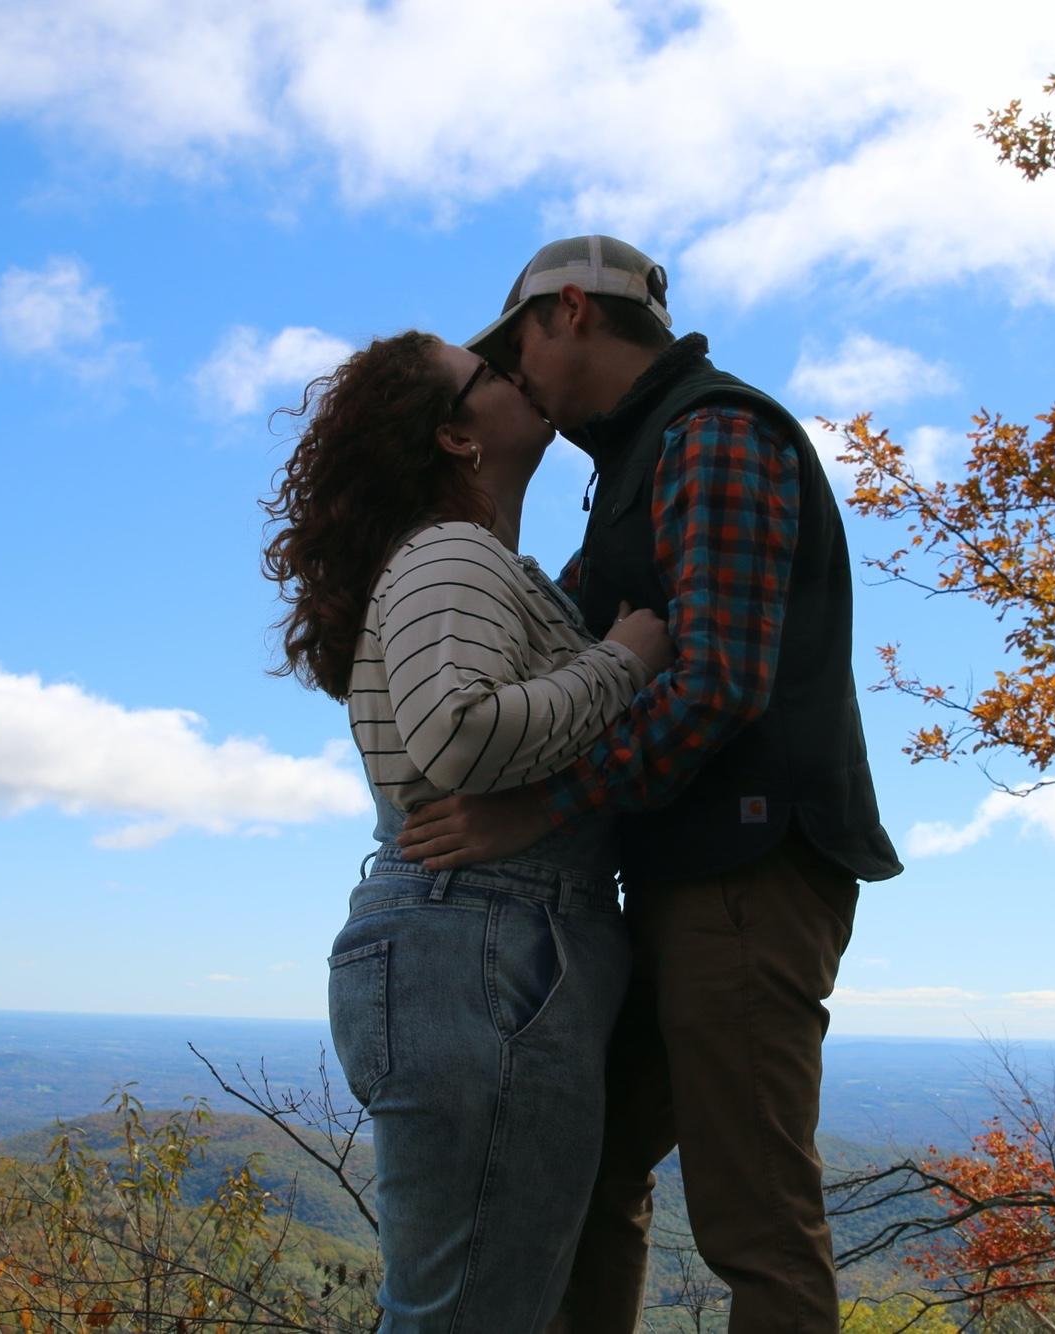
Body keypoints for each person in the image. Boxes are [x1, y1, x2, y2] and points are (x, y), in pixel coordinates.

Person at [398, 236, 904, 1333]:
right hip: (694, 880)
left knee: (753, 1223)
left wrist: (534, 810)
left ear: (570, 310)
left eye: (516, 343)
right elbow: (572, 643)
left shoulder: (712, 433)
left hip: (748, 873)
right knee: (590, 1165)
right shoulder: (643, 460)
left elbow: (717, 682)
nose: (515, 372)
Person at [260, 330, 673, 1333]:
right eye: (490, 375)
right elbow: (457, 731)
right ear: (453, 434)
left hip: (478, 948)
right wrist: (623, 659)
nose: (520, 375)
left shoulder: (477, 563)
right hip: (483, 947)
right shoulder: (451, 551)